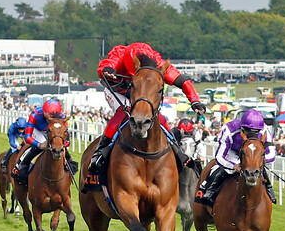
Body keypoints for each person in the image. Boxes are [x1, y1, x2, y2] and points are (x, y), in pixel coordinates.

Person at [88, 42, 206, 173]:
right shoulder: (120, 54)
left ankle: (176, 150)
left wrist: (194, 100)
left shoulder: (158, 63)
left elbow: (183, 81)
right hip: (117, 91)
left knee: (159, 118)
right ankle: (100, 151)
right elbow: (105, 65)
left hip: (141, 94)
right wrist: (106, 70)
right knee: (124, 111)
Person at [197, 109, 276, 206]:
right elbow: (219, 157)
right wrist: (234, 166)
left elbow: (271, 155)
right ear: (242, 127)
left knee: (258, 169)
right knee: (224, 170)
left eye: (256, 132)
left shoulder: (265, 130)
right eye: (248, 131)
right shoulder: (229, 129)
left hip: (253, 154)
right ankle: (209, 189)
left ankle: (269, 187)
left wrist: (255, 160)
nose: (252, 134)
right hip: (233, 152)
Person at [12, 99, 77, 184]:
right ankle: (21, 166)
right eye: (49, 117)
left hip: (54, 132)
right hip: (38, 130)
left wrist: (62, 144)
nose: (51, 119)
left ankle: (70, 170)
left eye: (54, 117)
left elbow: (67, 141)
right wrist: (39, 144)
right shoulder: (35, 114)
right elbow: (27, 137)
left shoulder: (62, 118)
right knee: (38, 147)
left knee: (61, 148)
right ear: (44, 113)